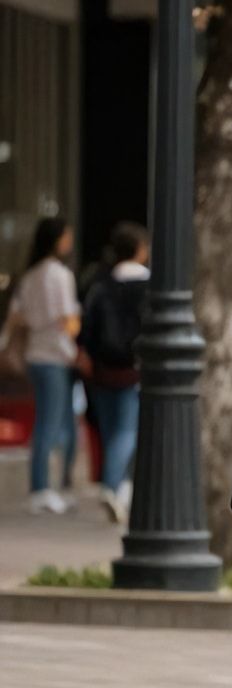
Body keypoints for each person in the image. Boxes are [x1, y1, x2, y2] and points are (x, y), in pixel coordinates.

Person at [5, 217, 82, 514]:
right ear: (57, 240)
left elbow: (16, 316)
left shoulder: (30, 275)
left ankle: (52, 487)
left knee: (54, 422)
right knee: (52, 424)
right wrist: (74, 337)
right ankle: (42, 488)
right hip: (55, 356)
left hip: (36, 356)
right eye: (67, 235)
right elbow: (68, 322)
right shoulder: (59, 275)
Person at [79, 222, 150, 522]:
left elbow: (85, 329)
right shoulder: (150, 284)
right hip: (132, 371)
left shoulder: (100, 284)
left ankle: (118, 488)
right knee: (128, 432)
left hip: (100, 371)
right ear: (140, 250)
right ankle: (111, 487)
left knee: (111, 433)